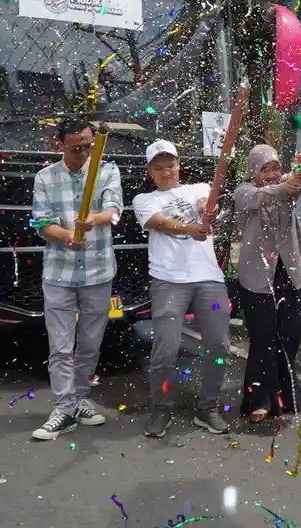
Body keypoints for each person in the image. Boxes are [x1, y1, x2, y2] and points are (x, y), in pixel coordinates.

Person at [29, 118, 123, 441]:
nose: (84, 151)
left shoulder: (107, 170)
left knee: (90, 344)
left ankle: (80, 398)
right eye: (76, 147)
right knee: (60, 346)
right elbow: (41, 223)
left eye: (88, 144)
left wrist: (91, 221)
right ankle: (64, 408)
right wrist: (68, 236)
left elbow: (113, 209)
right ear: (61, 145)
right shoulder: (45, 177)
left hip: (98, 272)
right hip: (59, 274)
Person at [132, 139, 232, 438]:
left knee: (219, 345)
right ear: (151, 172)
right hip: (168, 282)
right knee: (166, 348)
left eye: (171, 165)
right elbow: (160, 223)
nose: (167, 172)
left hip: (209, 280)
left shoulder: (199, 188)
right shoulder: (143, 199)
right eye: (159, 167)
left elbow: (204, 205)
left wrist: (206, 212)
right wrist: (192, 229)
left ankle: (208, 407)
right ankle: (162, 407)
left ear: (179, 165)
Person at [233, 144, 301, 423]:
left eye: (275, 167)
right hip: (257, 278)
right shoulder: (244, 191)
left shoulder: (288, 185)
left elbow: (296, 187)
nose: (270, 174)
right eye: (264, 169)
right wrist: (287, 182)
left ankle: (286, 393)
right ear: (253, 170)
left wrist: (298, 174)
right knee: (263, 339)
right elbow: (260, 197)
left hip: (291, 274)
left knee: (289, 336)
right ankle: (259, 399)